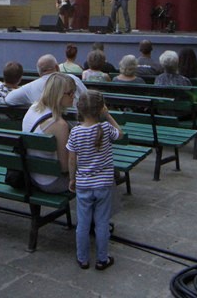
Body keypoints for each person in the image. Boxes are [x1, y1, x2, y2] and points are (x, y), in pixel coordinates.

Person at [67, 90, 123, 271]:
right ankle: (102, 259)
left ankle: (82, 259)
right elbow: (120, 134)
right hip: (104, 184)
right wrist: (107, 115)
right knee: (102, 223)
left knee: (82, 224)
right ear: (100, 109)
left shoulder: (75, 132)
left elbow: (71, 159)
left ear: (80, 109)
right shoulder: (105, 128)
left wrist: (72, 178)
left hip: (84, 184)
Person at [22, 73, 75, 193]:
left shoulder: (34, 107)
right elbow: (64, 167)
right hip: (51, 181)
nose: (73, 96)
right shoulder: (59, 125)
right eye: (70, 93)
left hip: (34, 175)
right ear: (58, 94)